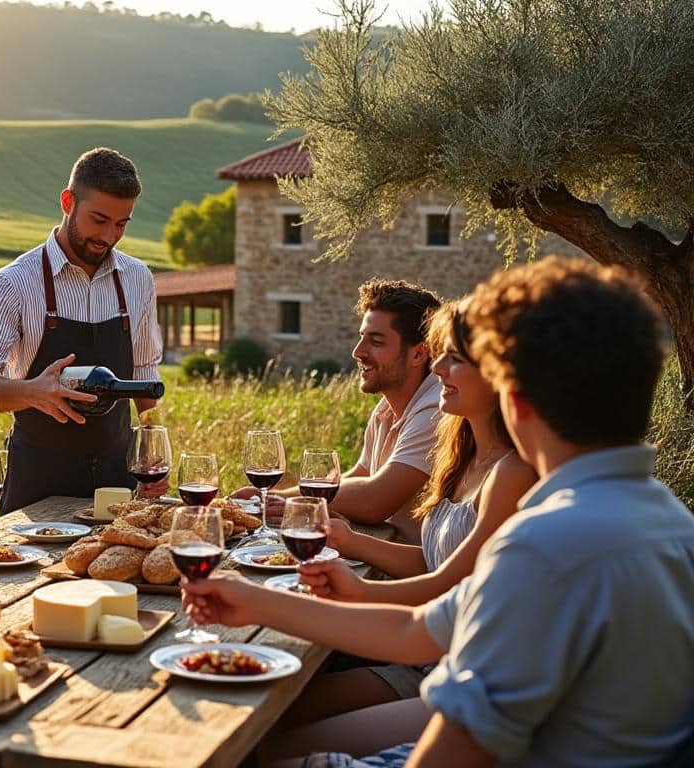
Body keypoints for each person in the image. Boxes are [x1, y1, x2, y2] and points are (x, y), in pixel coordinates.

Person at [184, 258, 694, 767]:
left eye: (465, 360)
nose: (437, 370)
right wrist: (252, 600)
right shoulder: (670, 522)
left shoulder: (549, 546)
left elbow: (453, 751)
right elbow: (421, 630)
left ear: (513, 396)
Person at [257, 300, 538, 761]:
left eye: (455, 358)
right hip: (425, 651)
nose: (439, 366)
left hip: (455, 665)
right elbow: (438, 561)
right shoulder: (461, 454)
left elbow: (447, 586)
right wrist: (350, 542)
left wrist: (355, 590)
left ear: (500, 374)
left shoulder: (512, 472)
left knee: (275, 742)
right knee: (272, 710)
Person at [0, 147, 165, 512]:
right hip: (38, 491)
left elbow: (145, 375)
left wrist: (154, 448)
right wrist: (32, 392)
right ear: (68, 201)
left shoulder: (138, 279)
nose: (109, 236)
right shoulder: (14, 283)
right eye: (98, 219)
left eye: (121, 224)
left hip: (119, 486)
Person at [236, 279, 443, 542]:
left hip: (418, 575)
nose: (358, 352)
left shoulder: (435, 409)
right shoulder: (387, 408)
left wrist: (298, 503)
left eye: (376, 342)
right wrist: (270, 499)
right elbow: (362, 475)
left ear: (418, 354)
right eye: (361, 338)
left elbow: (374, 500)